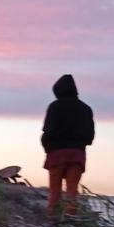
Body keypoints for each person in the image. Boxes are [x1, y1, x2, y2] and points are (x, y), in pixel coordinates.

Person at [41, 74, 95, 217]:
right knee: (72, 193)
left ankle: (53, 225)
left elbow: (48, 131)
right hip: (77, 154)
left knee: (54, 193)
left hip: (56, 154)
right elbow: (90, 137)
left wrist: (48, 148)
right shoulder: (86, 109)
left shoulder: (54, 106)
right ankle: (70, 226)